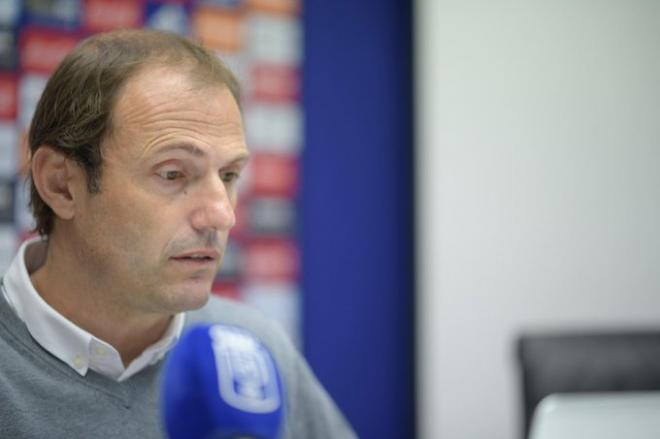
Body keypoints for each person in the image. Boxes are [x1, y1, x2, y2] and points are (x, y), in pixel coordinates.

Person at [0, 29, 356, 439]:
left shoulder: (249, 353)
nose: (222, 215)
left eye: (229, 175)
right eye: (173, 174)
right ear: (62, 185)